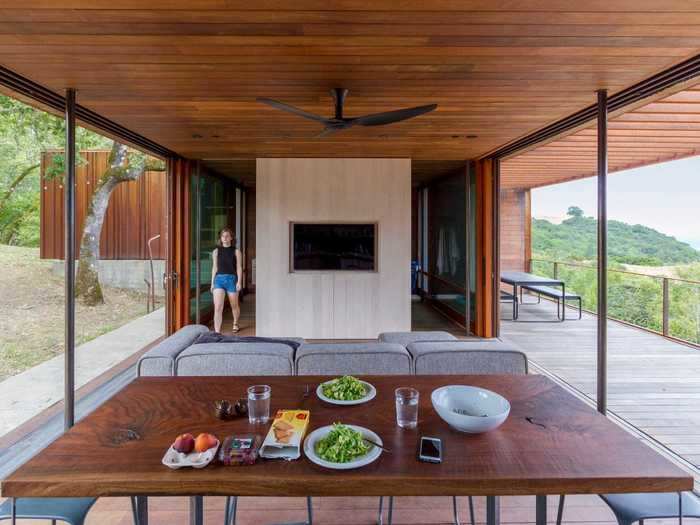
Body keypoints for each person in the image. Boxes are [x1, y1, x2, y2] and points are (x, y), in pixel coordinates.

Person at [211, 227, 243, 333]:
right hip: (219, 280)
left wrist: (239, 282)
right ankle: (217, 332)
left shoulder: (236, 251)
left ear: (231, 238)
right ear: (220, 238)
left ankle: (235, 323)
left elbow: (239, 267)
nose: (225, 238)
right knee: (218, 307)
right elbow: (214, 267)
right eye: (223, 236)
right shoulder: (216, 251)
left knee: (234, 305)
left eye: (227, 236)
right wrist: (212, 283)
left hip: (231, 279)